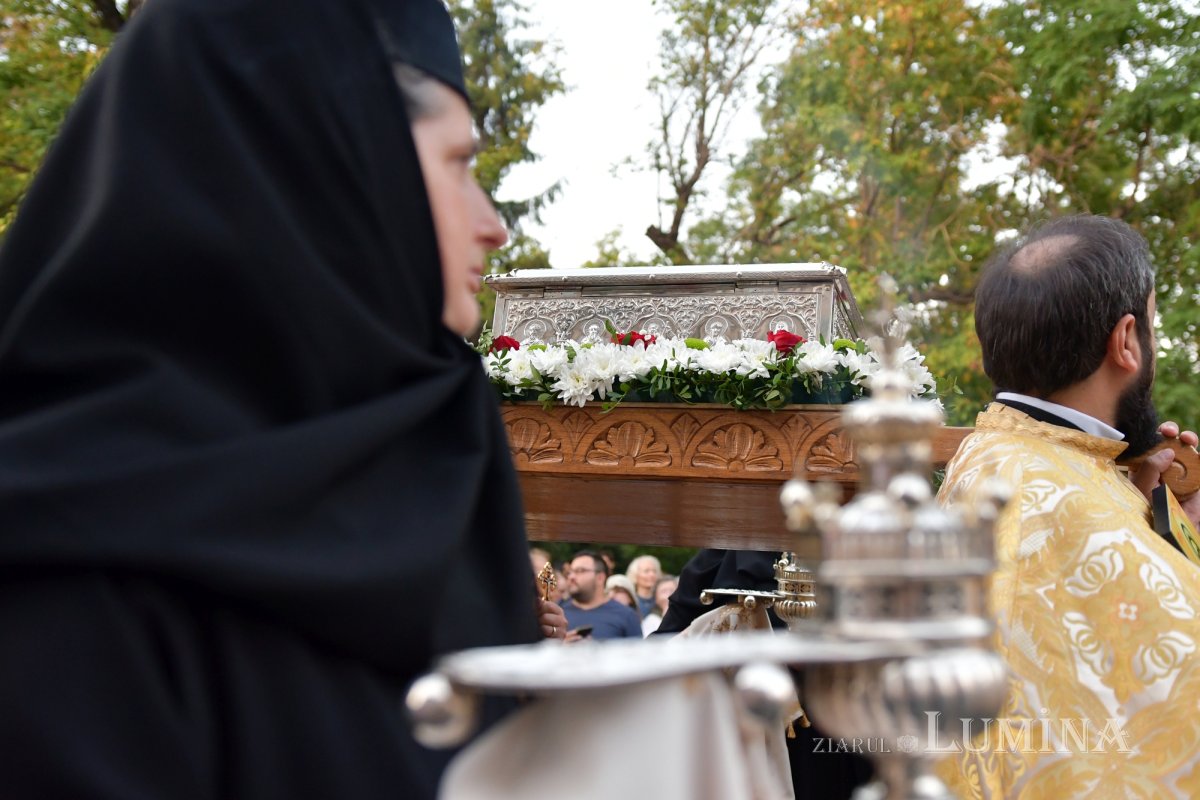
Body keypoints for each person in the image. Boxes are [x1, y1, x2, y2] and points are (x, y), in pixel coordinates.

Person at [0, 0, 551, 797]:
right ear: (333, 156)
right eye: (460, 164)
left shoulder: (430, 466)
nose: (492, 223)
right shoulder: (62, 584)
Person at [937, 215, 1200, 797]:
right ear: (1126, 341)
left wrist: (1169, 524)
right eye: (1153, 328)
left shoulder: (996, 456)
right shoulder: (1054, 495)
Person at [562, 551, 643, 640]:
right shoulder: (559, 614)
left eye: (580, 571)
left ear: (600, 578)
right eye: (569, 572)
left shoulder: (627, 616)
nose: (571, 577)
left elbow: (638, 653)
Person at [626, 553, 662, 617]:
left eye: (654, 571)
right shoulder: (629, 601)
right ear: (635, 575)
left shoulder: (662, 600)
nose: (652, 575)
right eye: (646, 571)